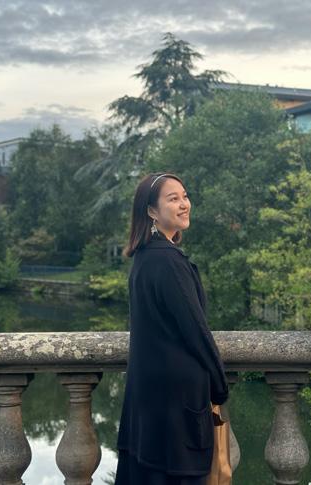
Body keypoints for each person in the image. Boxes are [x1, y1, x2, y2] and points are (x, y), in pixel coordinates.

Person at [115, 172, 229, 485]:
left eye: (185, 196)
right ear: (152, 211)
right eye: (173, 198)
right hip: (176, 408)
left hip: (150, 403)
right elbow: (196, 332)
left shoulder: (145, 257)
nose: (184, 204)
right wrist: (220, 387)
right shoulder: (168, 262)